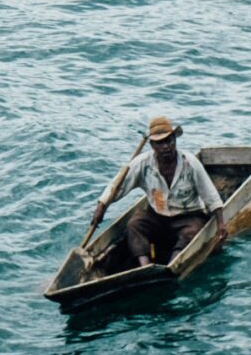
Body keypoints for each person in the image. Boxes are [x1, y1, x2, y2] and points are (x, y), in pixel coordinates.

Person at [86, 115, 223, 269]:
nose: (166, 146)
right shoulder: (142, 163)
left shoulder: (190, 163)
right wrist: (101, 207)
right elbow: (117, 186)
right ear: (152, 145)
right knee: (134, 224)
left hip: (188, 217)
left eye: (169, 141)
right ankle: (145, 267)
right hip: (157, 216)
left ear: (175, 140)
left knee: (192, 232)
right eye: (160, 143)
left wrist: (220, 225)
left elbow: (211, 195)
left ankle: (172, 266)